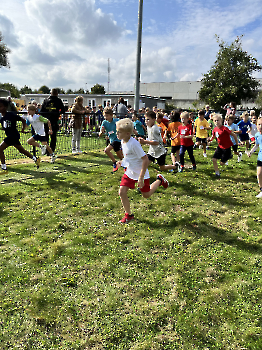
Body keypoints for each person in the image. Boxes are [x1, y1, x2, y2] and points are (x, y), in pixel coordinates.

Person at [115, 118, 169, 223]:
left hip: (141, 173)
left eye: (119, 132)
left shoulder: (134, 144)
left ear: (127, 133)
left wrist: (141, 177)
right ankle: (129, 215)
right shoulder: (123, 141)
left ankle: (159, 180)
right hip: (130, 172)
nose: (117, 133)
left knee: (146, 195)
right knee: (122, 192)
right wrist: (121, 162)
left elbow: (145, 159)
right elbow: (128, 156)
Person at [0, 98, 40, 172]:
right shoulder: (2, 118)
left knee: (0, 149)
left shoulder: (10, 114)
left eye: (0, 106)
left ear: (5, 107)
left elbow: (23, 120)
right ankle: (35, 158)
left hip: (13, 136)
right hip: (11, 136)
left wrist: (22, 129)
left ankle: (3, 167)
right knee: (22, 150)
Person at [40, 88, 65, 153]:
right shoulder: (58, 100)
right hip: (54, 121)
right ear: (57, 93)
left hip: (46, 121)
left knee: (46, 136)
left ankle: (46, 150)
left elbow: (42, 111)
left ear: (50, 93)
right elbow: (63, 110)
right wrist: (57, 113)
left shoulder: (46, 100)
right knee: (53, 137)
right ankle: (51, 151)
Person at [99, 107, 123, 172]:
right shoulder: (104, 122)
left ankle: (115, 163)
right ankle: (126, 164)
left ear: (111, 115)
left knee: (107, 150)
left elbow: (123, 126)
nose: (106, 117)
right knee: (119, 155)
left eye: (107, 116)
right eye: (104, 116)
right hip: (112, 140)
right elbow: (100, 132)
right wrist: (101, 132)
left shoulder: (116, 121)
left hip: (118, 139)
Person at [247, 118, 262, 198]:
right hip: (260, 158)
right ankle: (261, 190)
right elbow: (256, 145)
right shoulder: (257, 135)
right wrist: (251, 152)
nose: (260, 126)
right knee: (259, 174)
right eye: (259, 124)